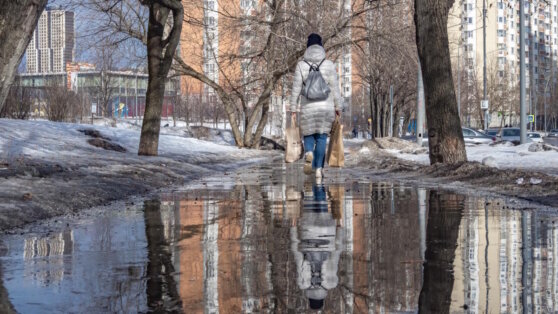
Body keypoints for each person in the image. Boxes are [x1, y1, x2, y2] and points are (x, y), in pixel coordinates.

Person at [290, 33, 343, 180]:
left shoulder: (301, 65)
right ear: (321, 47)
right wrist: (338, 107)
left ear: (307, 47)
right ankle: (318, 169)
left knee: (308, 134)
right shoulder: (329, 65)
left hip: (308, 106)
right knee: (321, 137)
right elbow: (335, 89)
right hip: (325, 108)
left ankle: (308, 153)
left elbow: (295, 88)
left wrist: (293, 108)